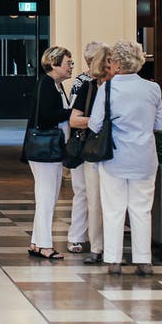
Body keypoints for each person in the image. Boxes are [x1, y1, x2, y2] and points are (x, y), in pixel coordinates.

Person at [88, 40, 162, 276]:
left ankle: (113, 260)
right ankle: (143, 260)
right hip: (144, 157)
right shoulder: (153, 89)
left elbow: (94, 124)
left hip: (114, 157)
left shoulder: (107, 89)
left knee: (113, 209)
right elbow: (160, 124)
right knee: (142, 209)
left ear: (117, 62)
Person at [68, 42, 114, 264]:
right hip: (93, 149)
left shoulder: (119, 88)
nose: (110, 69)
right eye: (107, 65)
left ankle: (112, 244)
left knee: (113, 200)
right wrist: (98, 122)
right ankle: (97, 246)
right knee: (92, 198)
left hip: (117, 151)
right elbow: (74, 120)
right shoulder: (88, 87)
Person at [27, 45, 74, 260]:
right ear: (54, 64)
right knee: (47, 196)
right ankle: (45, 245)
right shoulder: (47, 83)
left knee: (49, 195)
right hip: (45, 150)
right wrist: (72, 112)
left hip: (50, 150)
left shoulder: (54, 85)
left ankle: (37, 242)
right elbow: (47, 115)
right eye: (68, 63)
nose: (71, 67)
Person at [64, 41, 103, 257]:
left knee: (93, 193)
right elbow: (73, 118)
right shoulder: (84, 84)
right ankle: (77, 236)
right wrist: (98, 121)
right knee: (82, 190)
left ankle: (91, 236)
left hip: (98, 145)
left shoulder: (107, 85)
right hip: (84, 143)